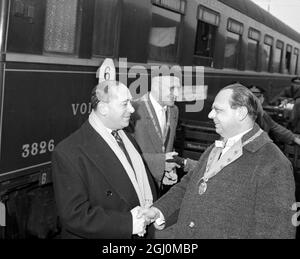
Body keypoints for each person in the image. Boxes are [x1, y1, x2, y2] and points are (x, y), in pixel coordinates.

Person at [142, 84, 296, 239]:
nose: (210, 115)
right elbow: (187, 185)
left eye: (218, 110)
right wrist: (158, 210)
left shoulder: (273, 162)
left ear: (241, 113)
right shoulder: (215, 148)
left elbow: (276, 231)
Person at [52, 80, 157, 239]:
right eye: (124, 104)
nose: (131, 109)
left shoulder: (127, 139)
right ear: (103, 108)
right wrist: (128, 224)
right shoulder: (69, 152)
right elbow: (74, 216)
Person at [130, 75, 197, 195]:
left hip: (159, 183)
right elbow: (127, 152)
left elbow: (167, 144)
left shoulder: (174, 110)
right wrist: (161, 164)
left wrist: (169, 169)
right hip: (137, 180)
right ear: (157, 88)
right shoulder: (134, 108)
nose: (176, 93)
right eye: (172, 88)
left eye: (178, 89)